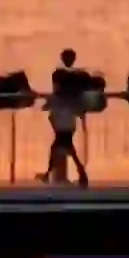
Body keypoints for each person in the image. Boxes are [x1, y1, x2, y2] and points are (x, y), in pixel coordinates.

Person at [45, 49, 91, 187]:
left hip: (62, 114)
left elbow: (57, 92)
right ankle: (79, 173)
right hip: (67, 114)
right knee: (63, 145)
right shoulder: (76, 77)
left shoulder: (60, 75)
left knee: (61, 146)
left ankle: (80, 173)